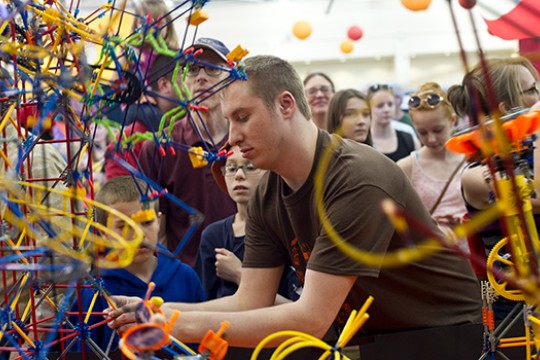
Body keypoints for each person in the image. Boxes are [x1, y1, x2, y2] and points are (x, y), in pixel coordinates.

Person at [109, 55, 483, 360]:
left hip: (445, 334)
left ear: (286, 104)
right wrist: (155, 311)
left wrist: (177, 325)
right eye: (229, 121)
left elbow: (311, 319)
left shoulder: (356, 177)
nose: (233, 136)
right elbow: (250, 300)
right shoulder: (267, 193)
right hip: (376, 337)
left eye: (242, 117)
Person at [448, 56, 540, 323]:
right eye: (532, 90)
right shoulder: (475, 174)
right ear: (506, 107)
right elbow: (535, 196)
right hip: (515, 313)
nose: (538, 95)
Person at [69, 176, 206, 352]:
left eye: (146, 222)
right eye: (123, 225)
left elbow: (204, 345)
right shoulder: (92, 294)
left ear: (158, 221)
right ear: (103, 233)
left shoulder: (186, 277)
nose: (138, 234)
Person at [138, 38, 237, 267]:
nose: (201, 77)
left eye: (212, 69)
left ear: (230, 78)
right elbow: (154, 230)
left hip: (246, 276)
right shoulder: (158, 147)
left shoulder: (248, 140)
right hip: (186, 281)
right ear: (182, 80)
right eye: (192, 69)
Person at [195, 144, 301, 301]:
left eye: (250, 167)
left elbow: (297, 309)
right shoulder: (212, 236)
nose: (238, 175)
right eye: (231, 168)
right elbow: (205, 304)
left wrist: (239, 274)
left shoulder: (288, 231)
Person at [397, 82, 467, 244]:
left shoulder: (470, 158)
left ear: (452, 120)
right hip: (434, 257)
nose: (431, 139)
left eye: (438, 130)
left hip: (475, 256)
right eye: (422, 132)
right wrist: (431, 226)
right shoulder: (407, 167)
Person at [105, 53, 181, 180]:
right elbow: (117, 192)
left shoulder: (190, 128)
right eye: (185, 76)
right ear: (164, 85)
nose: (193, 83)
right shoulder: (132, 135)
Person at [368, 84, 420, 162]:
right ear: (369, 109)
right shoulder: (363, 141)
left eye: (390, 104)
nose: (386, 110)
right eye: (380, 106)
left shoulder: (409, 139)